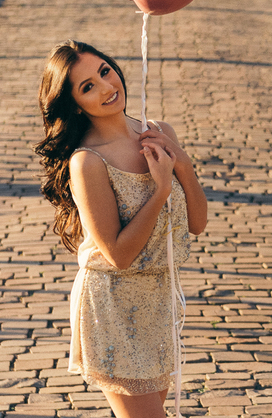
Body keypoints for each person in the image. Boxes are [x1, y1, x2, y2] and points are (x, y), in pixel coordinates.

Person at [34, 39, 208, 418]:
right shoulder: (88, 162)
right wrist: (160, 189)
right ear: (75, 105)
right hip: (112, 307)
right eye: (87, 87)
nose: (107, 88)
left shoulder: (160, 131)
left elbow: (197, 223)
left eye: (104, 71)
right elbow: (118, 255)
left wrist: (184, 165)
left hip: (159, 302)